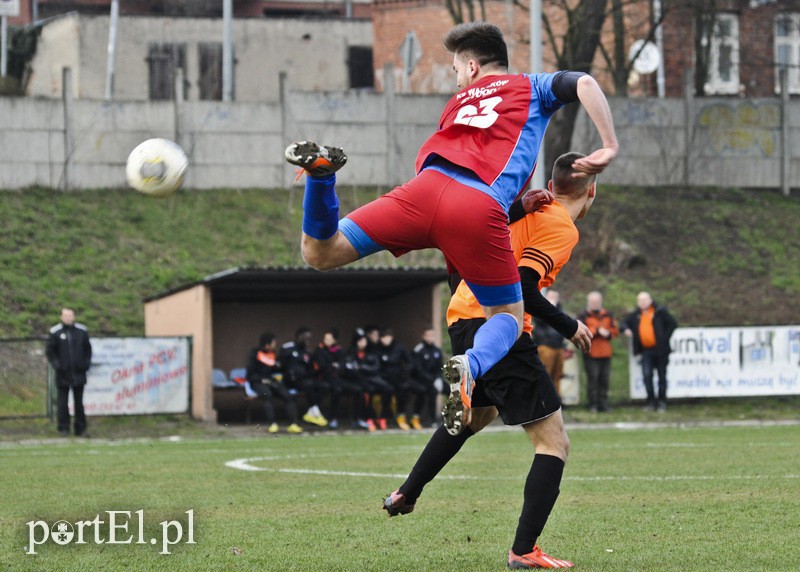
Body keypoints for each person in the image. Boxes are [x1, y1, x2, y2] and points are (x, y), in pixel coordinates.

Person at [284, 20, 618, 436]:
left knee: (321, 252)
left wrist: (512, 208)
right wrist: (608, 144)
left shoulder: (456, 105)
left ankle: (320, 177)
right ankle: (471, 364)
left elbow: (460, 174)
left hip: (420, 192)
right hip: (476, 207)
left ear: (473, 67)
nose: (457, 78)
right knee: (510, 318)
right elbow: (584, 82)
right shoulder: (531, 86)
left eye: (457, 70)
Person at [382, 152, 597, 570]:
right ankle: (524, 550)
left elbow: (483, 231)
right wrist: (570, 325)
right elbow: (524, 285)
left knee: (473, 419)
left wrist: (516, 208)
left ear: (550, 187)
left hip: (463, 315)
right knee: (554, 444)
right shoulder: (561, 226)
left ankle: (406, 492)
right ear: (592, 191)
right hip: (501, 326)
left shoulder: (530, 209)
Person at [623, 292, 678, 412]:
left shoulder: (659, 312)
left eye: (644, 300)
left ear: (650, 300)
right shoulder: (636, 314)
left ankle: (662, 402)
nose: (642, 303)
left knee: (662, 376)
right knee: (647, 376)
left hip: (661, 350)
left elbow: (673, 324)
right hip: (646, 351)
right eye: (640, 301)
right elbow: (624, 323)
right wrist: (626, 329)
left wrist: (664, 338)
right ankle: (651, 402)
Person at [45, 308, 93, 437]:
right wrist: (57, 365)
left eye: (70, 315)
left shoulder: (82, 331)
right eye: (65, 315)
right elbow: (50, 351)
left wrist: (85, 364)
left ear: (74, 316)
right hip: (63, 374)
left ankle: (81, 429)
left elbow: (88, 350)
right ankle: (63, 428)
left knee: (79, 403)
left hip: (79, 373)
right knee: (62, 403)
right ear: (61, 317)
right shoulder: (55, 332)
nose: (68, 318)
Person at [245, 332, 303, 434]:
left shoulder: (273, 354)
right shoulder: (254, 354)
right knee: (268, 395)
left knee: (287, 396)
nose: (275, 345)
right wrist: (261, 380)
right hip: (257, 382)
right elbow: (250, 374)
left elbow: (277, 368)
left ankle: (292, 424)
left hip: (271, 381)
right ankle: (272, 424)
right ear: (267, 345)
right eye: (273, 343)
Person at [315, 329, 370, 429]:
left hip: (339, 379)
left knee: (358, 390)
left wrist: (336, 366)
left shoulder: (339, 351)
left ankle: (358, 419)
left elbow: (341, 365)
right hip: (326, 380)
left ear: (335, 340)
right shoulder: (320, 350)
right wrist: (334, 366)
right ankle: (333, 418)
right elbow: (324, 367)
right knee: (337, 390)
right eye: (325, 339)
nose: (326, 341)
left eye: (329, 339)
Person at [343, 328, 395, 431]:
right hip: (359, 381)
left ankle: (382, 418)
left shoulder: (371, 352)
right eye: (360, 341)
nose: (362, 343)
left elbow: (376, 367)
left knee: (388, 389)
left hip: (372, 378)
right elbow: (349, 369)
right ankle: (368, 418)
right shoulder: (350, 353)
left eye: (364, 340)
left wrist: (362, 367)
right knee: (367, 391)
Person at [576, 291, 619, 412]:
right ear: (588, 302)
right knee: (593, 379)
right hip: (590, 352)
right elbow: (579, 331)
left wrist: (608, 333)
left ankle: (603, 404)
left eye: (597, 301)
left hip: (605, 352)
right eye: (592, 302)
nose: (595, 304)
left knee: (604, 379)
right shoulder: (583, 315)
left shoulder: (607, 314)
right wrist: (596, 330)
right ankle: (592, 404)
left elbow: (615, 330)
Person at [279, 327, 328, 427]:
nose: (308, 341)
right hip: (290, 381)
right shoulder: (287, 348)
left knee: (324, 386)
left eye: (310, 339)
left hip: (303, 380)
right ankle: (315, 413)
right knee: (308, 385)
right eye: (306, 338)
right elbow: (280, 364)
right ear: (298, 337)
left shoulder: (307, 353)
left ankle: (312, 412)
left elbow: (310, 369)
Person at [376, 328, 419, 431]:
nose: (385, 340)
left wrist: (404, 373)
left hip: (398, 378)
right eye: (383, 338)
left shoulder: (399, 348)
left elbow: (409, 362)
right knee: (386, 396)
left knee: (403, 394)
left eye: (387, 337)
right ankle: (383, 418)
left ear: (391, 337)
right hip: (383, 380)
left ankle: (401, 418)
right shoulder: (378, 349)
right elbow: (376, 366)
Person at [532, 289, 567, 396]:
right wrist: (550, 307)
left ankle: (557, 400)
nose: (553, 300)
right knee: (545, 375)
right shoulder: (539, 309)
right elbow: (540, 321)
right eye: (551, 297)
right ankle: (543, 400)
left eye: (555, 297)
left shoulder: (560, 310)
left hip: (559, 347)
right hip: (545, 345)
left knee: (557, 376)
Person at [410, 328, 444, 428]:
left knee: (452, 390)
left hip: (434, 380)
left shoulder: (437, 350)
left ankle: (450, 417)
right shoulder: (418, 350)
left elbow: (440, 367)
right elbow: (418, 370)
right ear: (423, 337)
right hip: (420, 380)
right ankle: (422, 418)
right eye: (428, 335)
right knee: (425, 391)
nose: (430, 338)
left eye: (432, 335)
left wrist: (438, 378)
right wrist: (432, 380)